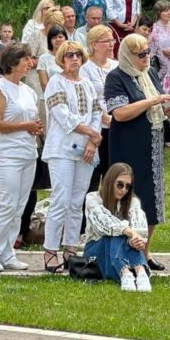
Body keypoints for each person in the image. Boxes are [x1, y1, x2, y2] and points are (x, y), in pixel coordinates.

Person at [105, 33, 170, 271]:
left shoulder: (150, 73)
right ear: (128, 55)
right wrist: (152, 101)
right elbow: (120, 113)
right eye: (141, 54)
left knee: (150, 199)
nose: (147, 58)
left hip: (151, 145)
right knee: (127, 196)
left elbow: (156, 103)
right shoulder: (116, 77)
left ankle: (145, 251)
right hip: (128, 145)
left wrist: (168, 106)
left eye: (148, 52)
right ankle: (123, 251)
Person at [41, 41, 102, 272]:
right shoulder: (55, 82)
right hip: (62, 148)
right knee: (61, 199)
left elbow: (97, 113)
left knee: (77, 201)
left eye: (77, 54)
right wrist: (92, 134)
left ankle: (71, 249)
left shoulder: (88, 84)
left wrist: (93, 141)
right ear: (61, 59)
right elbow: (62, 116)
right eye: (69, 55)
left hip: (86, 149)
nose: (74, 58)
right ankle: (50, 250)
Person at [0, 43, 42, 272]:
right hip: (6, 155)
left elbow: (31, 120)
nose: (30, 63)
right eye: (26, 59)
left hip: (27, 153)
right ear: (13, 62)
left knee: (19, 206)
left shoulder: (28, 91)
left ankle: (7, 252)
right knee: (7, 204)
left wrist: (35, 127)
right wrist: (26, 125)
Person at [82, 163, 152, 292]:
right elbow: (105, 224)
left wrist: (135, 241)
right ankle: (129, 272)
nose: (123, 190)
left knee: (125, 238)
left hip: (123, 249)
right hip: (96, 249)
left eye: (127, 186)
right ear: (110, 181)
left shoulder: (133, 201)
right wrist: (130, 233)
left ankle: (139, 273)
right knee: (114, 235)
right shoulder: (93, 198)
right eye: (120, 185)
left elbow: (140, 229)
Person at [81, 25, 118, 180]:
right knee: (95, 170)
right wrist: (104, 117)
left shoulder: (116, 65)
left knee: (113, 169)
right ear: (94, 45)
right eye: (106, 41)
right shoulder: (85, 68)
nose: (111, 44)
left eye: (112, 40)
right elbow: (89, 97)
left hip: (117, 121)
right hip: (96, 124)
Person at [148, 0, 170, 95]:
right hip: (159, 69)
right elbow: (149, 51)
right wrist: (162, 51)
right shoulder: (153, 29)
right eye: (165, 11)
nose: (169, 13)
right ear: (159, 13)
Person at [37, 24, 68, 90]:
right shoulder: (43, 58)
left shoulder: (72, 56)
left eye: (60, 37)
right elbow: (44, 84)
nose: (57, 40)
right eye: (54, 38)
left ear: (65, 39)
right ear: (50, 40)